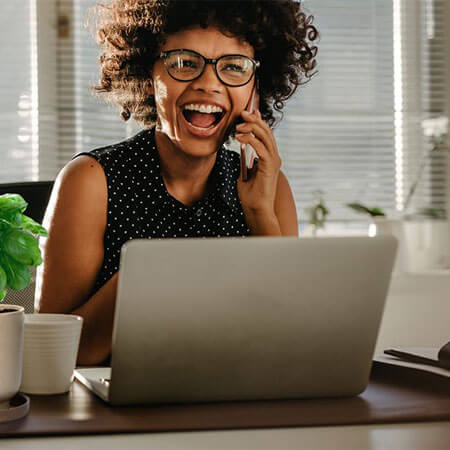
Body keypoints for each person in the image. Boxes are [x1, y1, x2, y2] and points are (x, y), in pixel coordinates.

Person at [36, 0, 318, 365]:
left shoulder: (270, 189)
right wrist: (153, 271)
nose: (208, 85)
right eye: (184, 63)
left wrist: (260, 212)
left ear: (255, 89)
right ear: (148, 74)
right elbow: (51, 357)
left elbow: (286, 346)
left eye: (233, 67)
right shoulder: (92, 181)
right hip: (116, 415)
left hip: (231, 406)